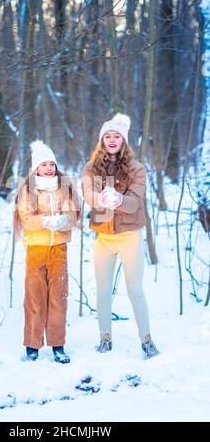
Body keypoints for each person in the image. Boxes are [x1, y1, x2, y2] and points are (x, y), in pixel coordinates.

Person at [81, 113, 159, 358]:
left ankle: (146, 340)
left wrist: (118, 199)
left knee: (135, 290)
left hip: (129, 237)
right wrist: (99, 199)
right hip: (103, 237)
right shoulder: (91, 167)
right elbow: (87, 192)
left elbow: (136, 203)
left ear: (124, 140)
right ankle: (105, 338)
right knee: (103, 291)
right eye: (108, 136)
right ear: (102, 140)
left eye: (117, 136)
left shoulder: (137, 169)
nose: (112, 140)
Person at [14, 141, 81, 363]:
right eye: (44, 164)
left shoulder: (65, 187)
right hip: (35, 251)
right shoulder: (27, 189)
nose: (49, 168)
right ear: (36, 168)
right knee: (34, 297)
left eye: (51, 163)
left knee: (58, 299)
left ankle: (58, 346)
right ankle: (32, 346)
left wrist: (62, 220)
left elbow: (72, 214)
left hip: (58, 251)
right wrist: (45, 220)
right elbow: (27, 219)